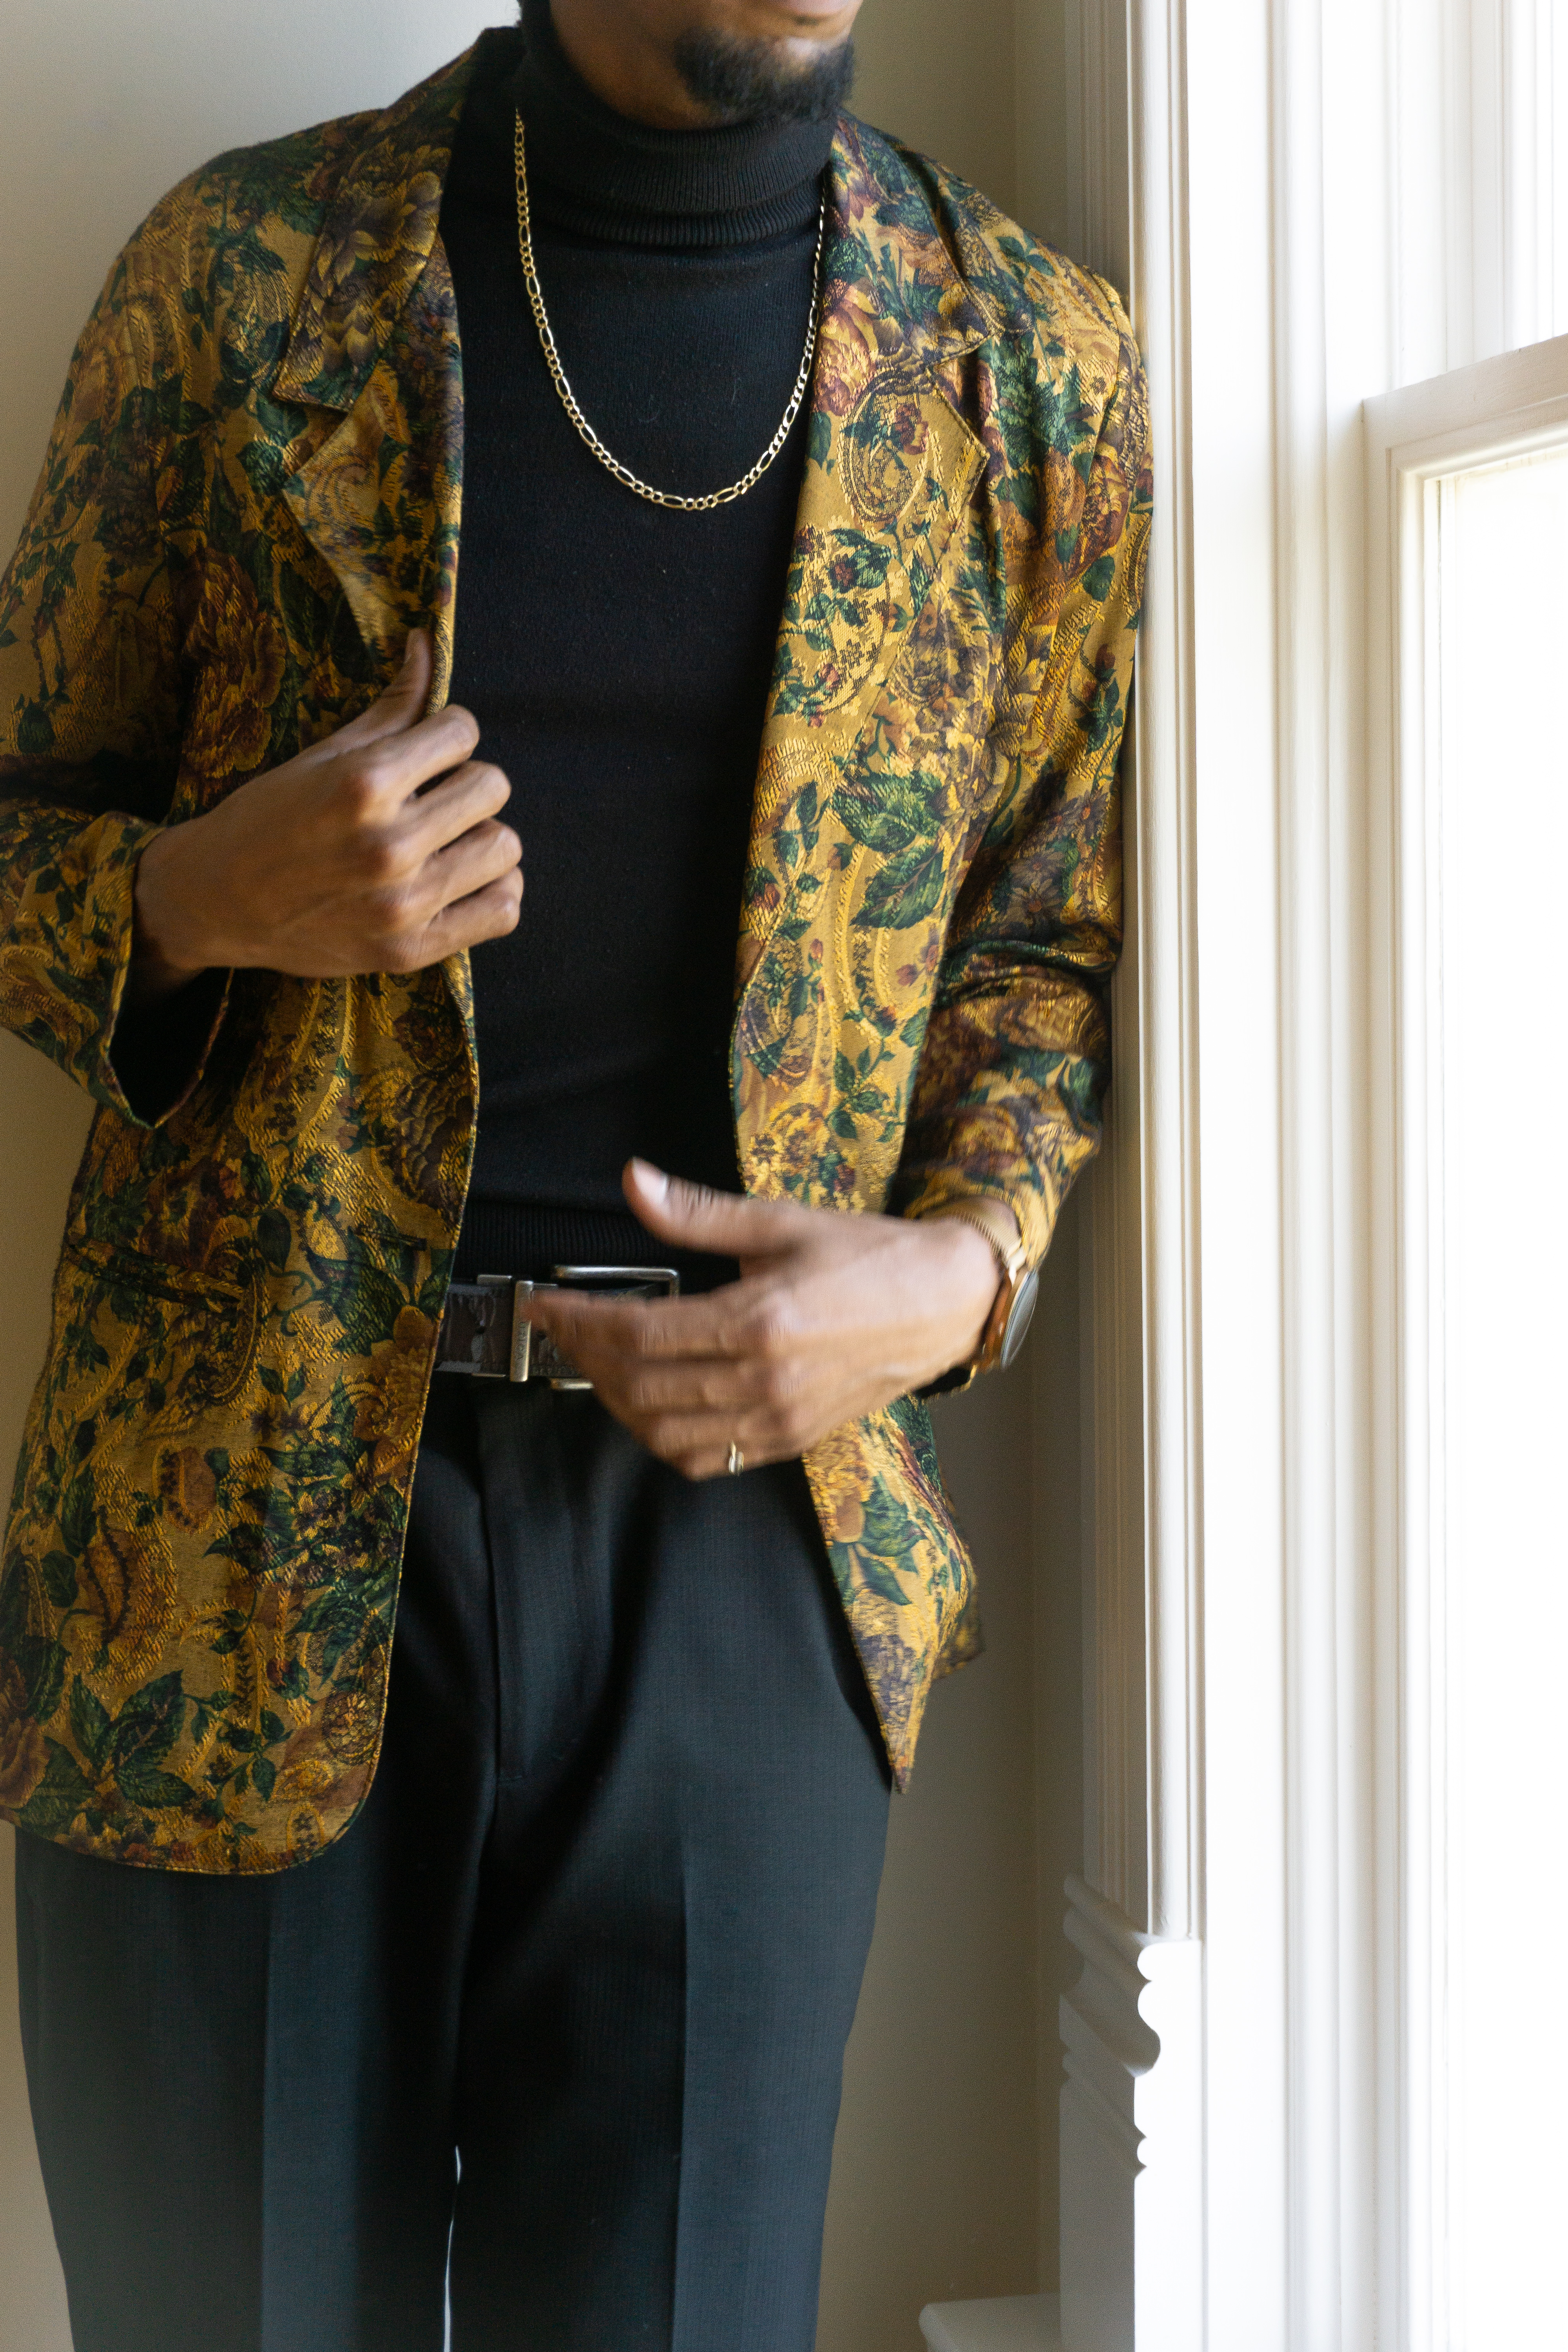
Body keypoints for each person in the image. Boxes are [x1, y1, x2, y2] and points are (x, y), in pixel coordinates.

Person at [0, 0, 1150, 2343]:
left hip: (749, 1555)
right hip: (223, 1532)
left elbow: (1041, 964)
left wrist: (954, 1286)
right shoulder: (237, 284)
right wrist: (206, 897)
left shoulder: (1038, 370)